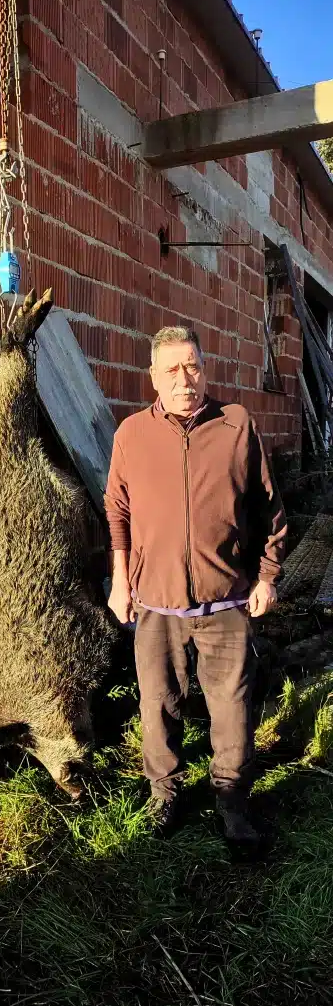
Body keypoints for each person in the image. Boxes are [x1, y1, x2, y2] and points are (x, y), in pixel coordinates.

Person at [104, 326, 287, 841]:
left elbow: (268, 509)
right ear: (153, 378)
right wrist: (121, 582)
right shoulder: (132, 435)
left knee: (231, 706)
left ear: (203, 368)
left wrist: (267, 576)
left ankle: (232, 800)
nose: (184, 379)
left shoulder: (236, 425)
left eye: (192, 367)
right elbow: (118, 513)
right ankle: (164, 794)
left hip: (227, 599)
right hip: (156, 603)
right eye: (171, 370)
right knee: (157, 704)